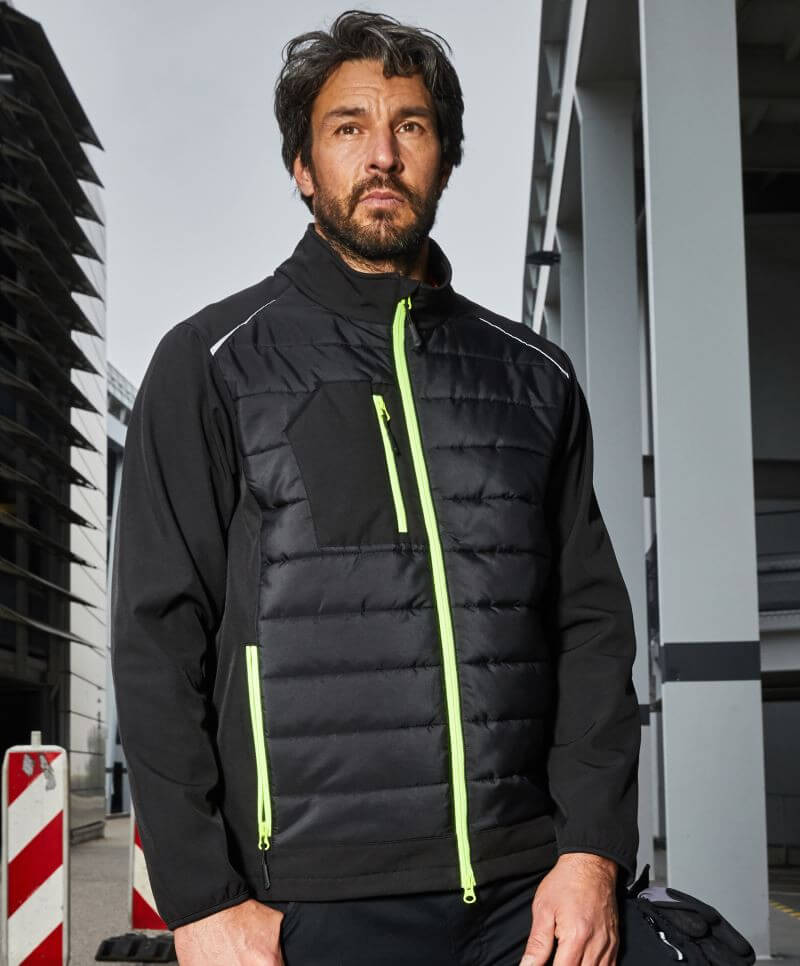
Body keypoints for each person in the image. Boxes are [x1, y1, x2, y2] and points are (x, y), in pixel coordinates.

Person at [111, 10, 652, 965]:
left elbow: (592, 630)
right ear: (302, 165)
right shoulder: (211, 364)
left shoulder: (535, 378)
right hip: (306, 906)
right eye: (348, 127)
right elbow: (158, 641)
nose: (382, 155)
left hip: (528, 900)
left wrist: (592, 854)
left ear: (444, 159)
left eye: (410, 125)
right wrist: (201, 902)